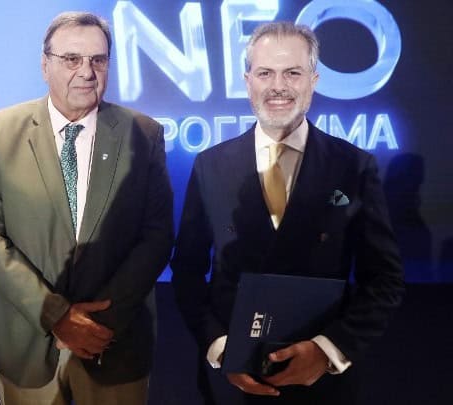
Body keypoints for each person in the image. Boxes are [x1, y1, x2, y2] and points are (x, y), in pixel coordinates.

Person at [171, 21, 404, 404]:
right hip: (232, 384)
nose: (278, 86)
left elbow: (384, 279)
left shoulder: (354, 166)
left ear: (314, 80)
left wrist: (328, 350)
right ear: (248, 81)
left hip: (323, 386)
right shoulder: (210, 166)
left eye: (292, 73)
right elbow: (187, 271)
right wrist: (220, 347)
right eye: (265, 73)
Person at [0, 11, 174, 405]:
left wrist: (98, 323)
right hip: (27, 343)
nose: (87, 72)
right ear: (45, 65)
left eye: (98, 60)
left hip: (113, 340)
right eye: (71, 59)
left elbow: (157, 235)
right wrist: (56, 315)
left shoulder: (144, 132)